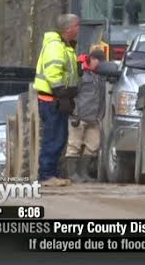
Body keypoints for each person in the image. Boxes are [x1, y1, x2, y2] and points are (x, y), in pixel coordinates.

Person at [33, 13, 80, 187]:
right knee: (53, 137)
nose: (78, 28)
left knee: (60, 137)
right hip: (52, 99)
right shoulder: (55, 46)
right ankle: (46, 175)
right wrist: (62, 93)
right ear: (68, 28)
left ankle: (52, 174)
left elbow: (67, 71)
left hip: (57, 98)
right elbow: (53, 72)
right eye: (77, 25)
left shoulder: (64, 46)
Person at [65, 47, 106, 183]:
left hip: (93, 118)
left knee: (93, 145)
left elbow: (101, 97)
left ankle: (84, 173)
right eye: (99, 62)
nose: (100, 65)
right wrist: (75, 114)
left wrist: (100, 116)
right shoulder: (80, 73)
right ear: (93, 59)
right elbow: (73, 94)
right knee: (74, 145)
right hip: (79, 117)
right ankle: (72, 174)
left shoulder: (99, 75)